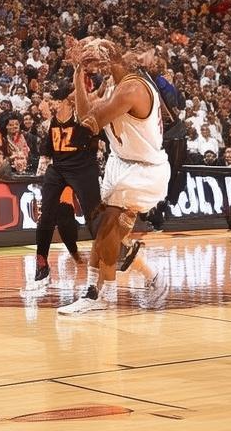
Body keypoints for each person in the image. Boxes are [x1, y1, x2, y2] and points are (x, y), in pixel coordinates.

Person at [57, 37, 170, 315]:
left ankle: (102, 295)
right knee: (104, 230)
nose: (95, 59)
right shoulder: (111, 84)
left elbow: (91, 123)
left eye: (98, 54)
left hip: (143, 168)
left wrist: (82, 69)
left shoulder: (131, 89)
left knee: (107, 228)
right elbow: (84, 112)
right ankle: (145, 277)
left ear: (113, 60)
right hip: (120, 162)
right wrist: (78, 73)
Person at [26, 81, 100, 291]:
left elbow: (91, 97)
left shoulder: (84, 118)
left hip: (83, 170)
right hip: (58, 170)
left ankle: (107, 254)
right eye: (52, 101)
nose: (53, 104)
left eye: (56, 101)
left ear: (68, 102)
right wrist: (39, 175)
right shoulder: (51, 124)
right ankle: (41, 263)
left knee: (93, 216)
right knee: (46, 217)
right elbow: (46, 153)